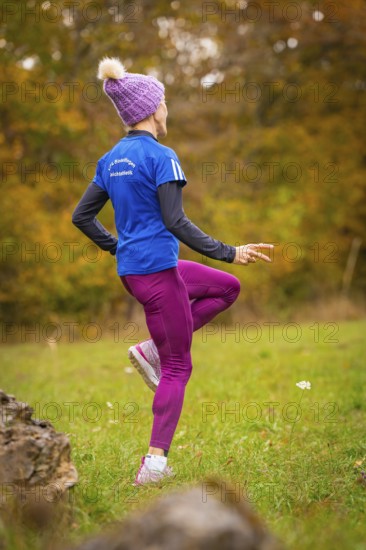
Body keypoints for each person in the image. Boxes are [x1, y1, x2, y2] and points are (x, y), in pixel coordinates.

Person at [72, 57, 273, 486]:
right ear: (151, 109)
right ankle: (154, 465)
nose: (167, 109)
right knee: (180, 366)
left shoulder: (111, 159)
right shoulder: (162, 156)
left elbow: (82, 217)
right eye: (164, 101)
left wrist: (118, 248)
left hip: (139, 272)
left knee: (227, 289)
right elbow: (175, 221)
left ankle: (152, 350)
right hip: (158, 276)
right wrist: (229, 250)